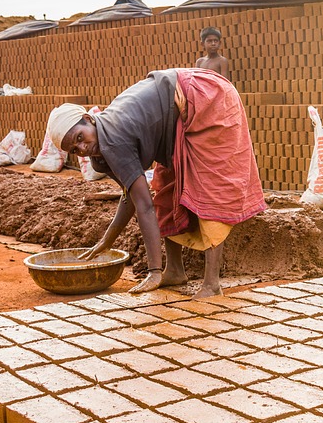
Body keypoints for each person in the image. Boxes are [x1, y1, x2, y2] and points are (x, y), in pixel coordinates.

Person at [46, 68, 265, 298]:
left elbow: (144, 206)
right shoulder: (101, 153)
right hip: (176, 116)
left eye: (80, 137)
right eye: (74, 149)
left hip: (206, 98)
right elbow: (130, 195)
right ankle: (174, 270)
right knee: (167, 188)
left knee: (209, 188)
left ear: (89, 119)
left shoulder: (113, 139)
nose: (82, 148)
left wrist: (153, 271)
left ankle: (211, 284)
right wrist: (106, 241)